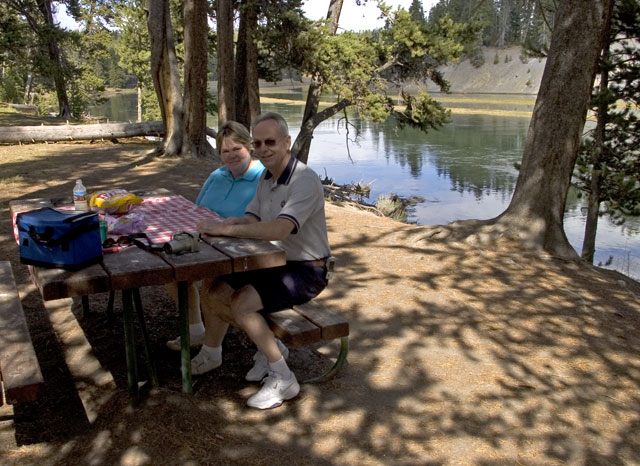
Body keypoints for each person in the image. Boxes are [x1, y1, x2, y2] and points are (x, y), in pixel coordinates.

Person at [193, 112, 331, 409]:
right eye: (258, 142)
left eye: (270, 141)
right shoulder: (267, 177)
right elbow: (252, 218)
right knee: (212, 288)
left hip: (307, 269)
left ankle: (284, 379)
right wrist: (226, 223)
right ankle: (269, 345)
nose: (264, 148)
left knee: (242, 303)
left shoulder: (304, 179)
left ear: (286, 142)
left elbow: (281, 228)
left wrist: (227, 229)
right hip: (272, 261)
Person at [165, 121, 265, 351]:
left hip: (241, 248)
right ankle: (195, 330)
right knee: (172, 273)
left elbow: (265, 223)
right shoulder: (218, 175)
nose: (231, 156)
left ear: (249, 147)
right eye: (225, 151)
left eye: (236, 149)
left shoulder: (263, 178)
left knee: (212, 283)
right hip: (207, 242)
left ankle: (211, 351)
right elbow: (197, 209)